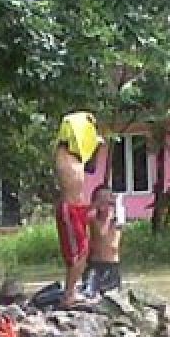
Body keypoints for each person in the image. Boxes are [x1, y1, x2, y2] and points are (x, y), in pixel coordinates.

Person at [54, 111, 104, 308]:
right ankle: (69, 295)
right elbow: (70, 122)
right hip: (70, 208)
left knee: (84, 251)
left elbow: (91, 167)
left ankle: (72, 291)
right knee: (77, 253)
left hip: (79, 207)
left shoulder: (77, 158)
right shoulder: (62, 153)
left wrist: (97, 146)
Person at [83, 184, 123, 295]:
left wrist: (113, 214)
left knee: (111, 297)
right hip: (96, 265)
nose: (105, 203)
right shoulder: (93, 219)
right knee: (90, 295)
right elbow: (101, 234)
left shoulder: (116, 221)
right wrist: (106, 216)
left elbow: (114, 245)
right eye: (101, 199)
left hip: (112, 265)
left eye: (108, 199)